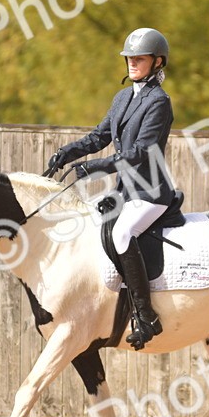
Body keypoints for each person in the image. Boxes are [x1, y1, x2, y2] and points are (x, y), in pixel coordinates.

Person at [45, 27, 175, 349]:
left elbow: (141, 153)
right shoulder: (123, 98)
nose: (132, 63)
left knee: (121, 234)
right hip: (125, 192)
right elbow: (98, 137)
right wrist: (68, 153)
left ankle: (145, 316)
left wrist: (96, 167)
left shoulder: (158, 102)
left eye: (139, 58)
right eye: (129, 58)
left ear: (157, 62)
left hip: (150, 193)